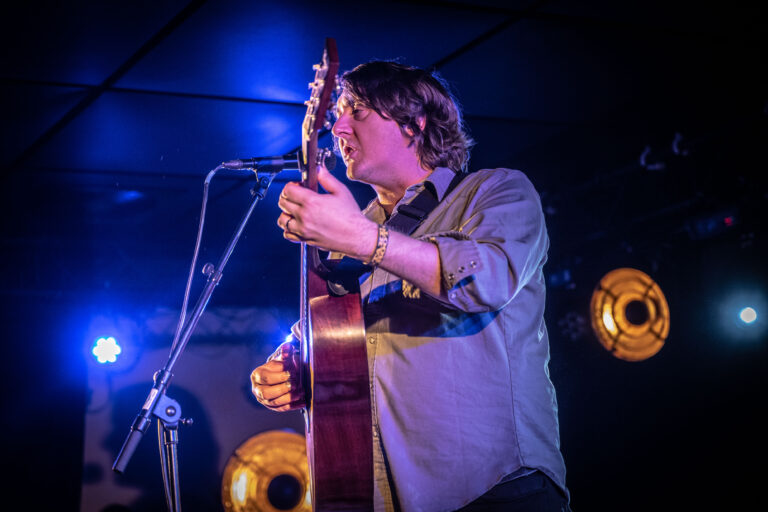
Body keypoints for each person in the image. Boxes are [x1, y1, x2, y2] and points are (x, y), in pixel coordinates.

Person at [250, 60, 570, 512]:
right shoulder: (352, 236)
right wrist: (288, 369)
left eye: (356, 110)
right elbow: (323, 338)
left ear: (413, 123)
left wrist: (364, 239)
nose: (338, 127)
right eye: (336, 113)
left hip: (497, 489)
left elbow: (489, 280)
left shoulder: (496, 190)